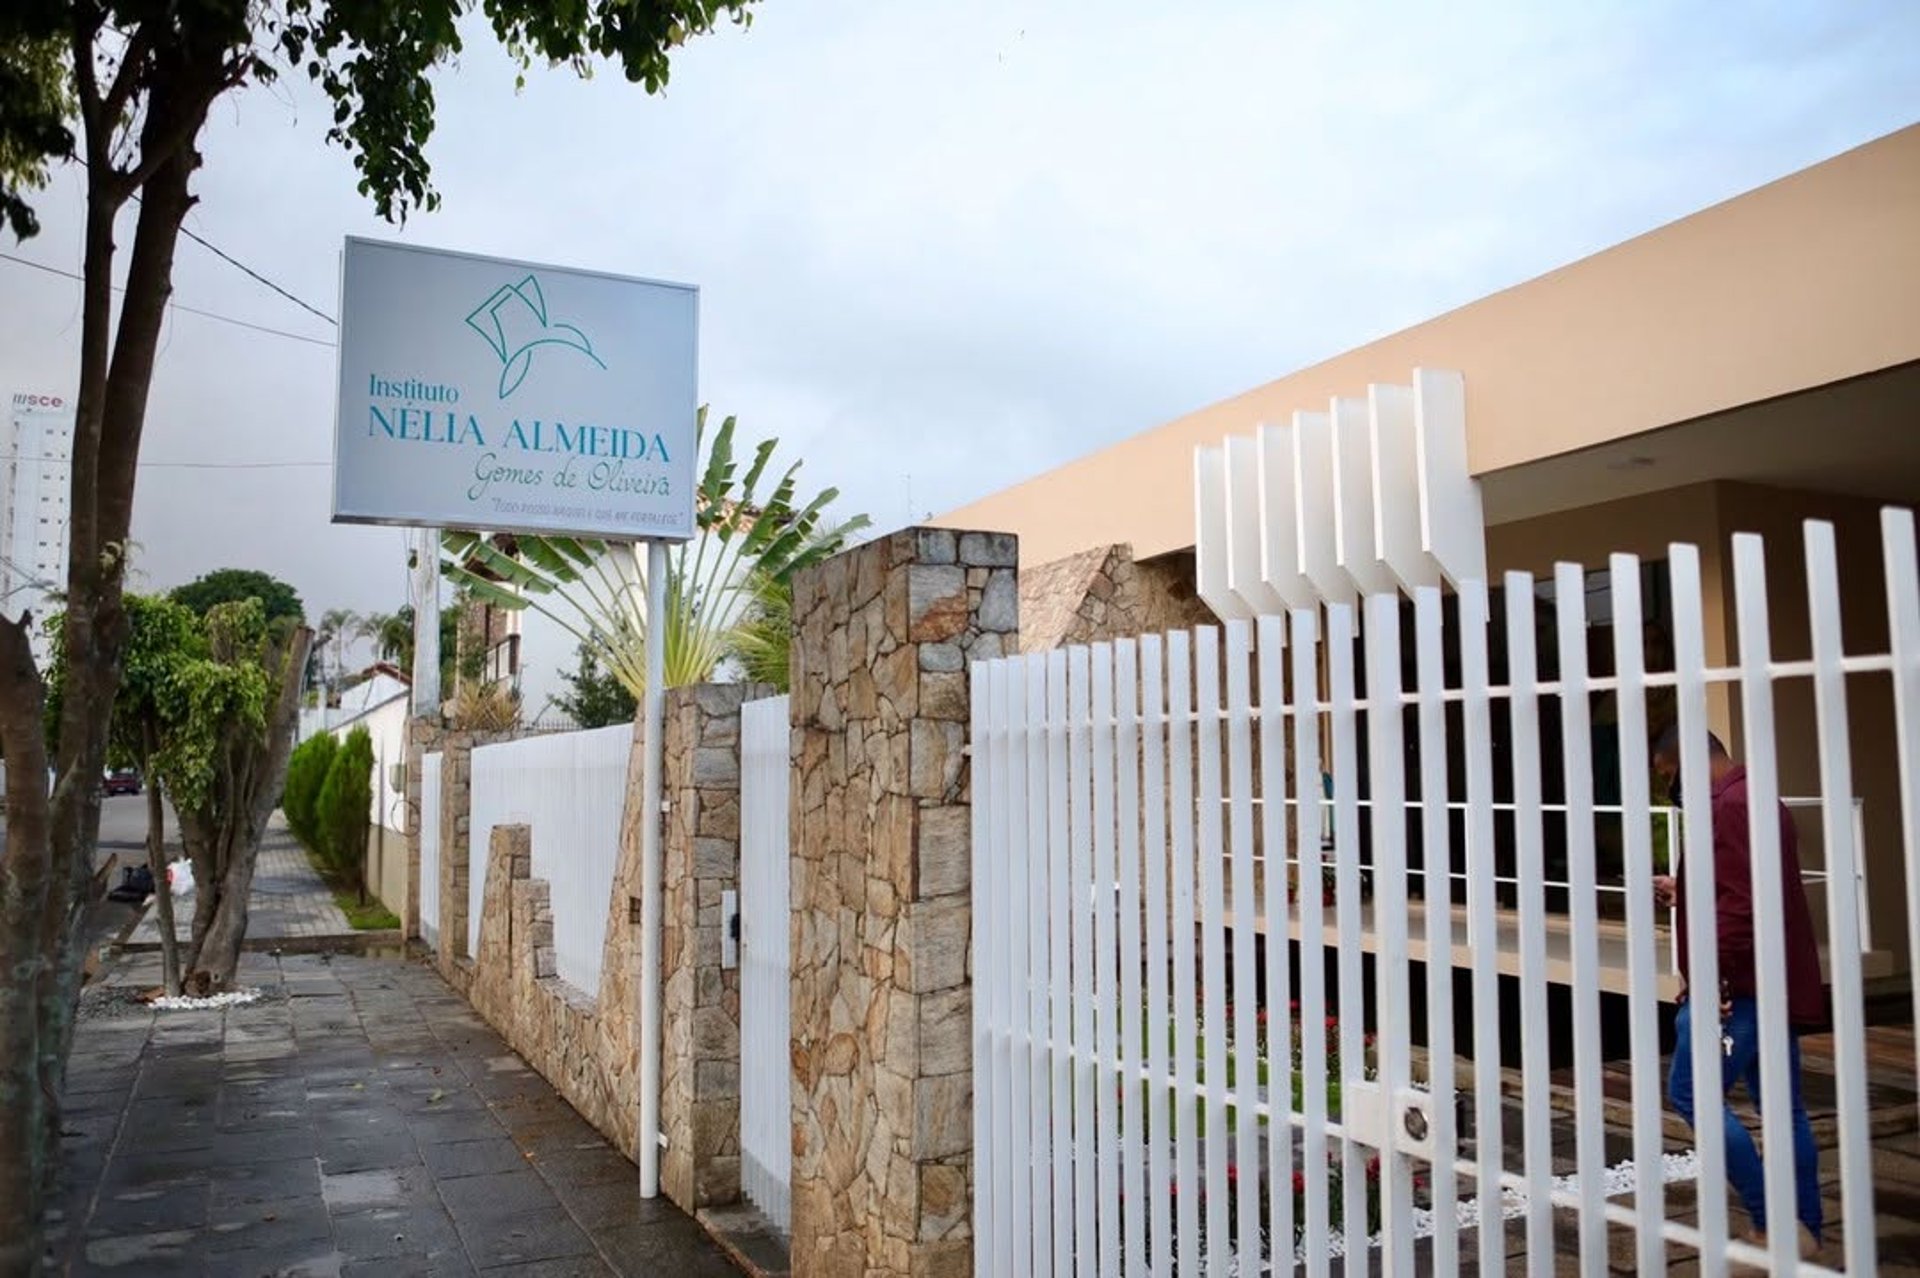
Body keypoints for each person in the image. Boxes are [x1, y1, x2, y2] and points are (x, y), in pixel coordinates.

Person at [1650, 726, 1825, 1257]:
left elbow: (1742, 906)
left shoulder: (1725, 807)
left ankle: (1772, 1226)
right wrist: (1687, 892)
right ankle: (1808, 1232)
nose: (1673, 791)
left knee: (1692, 1094)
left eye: (1671, 777)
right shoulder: (1759, 797)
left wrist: (1710, 979)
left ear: (1690, 761)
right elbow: (1748, 887)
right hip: (1773, 979)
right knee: (1784, 1109)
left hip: (1739, 986)